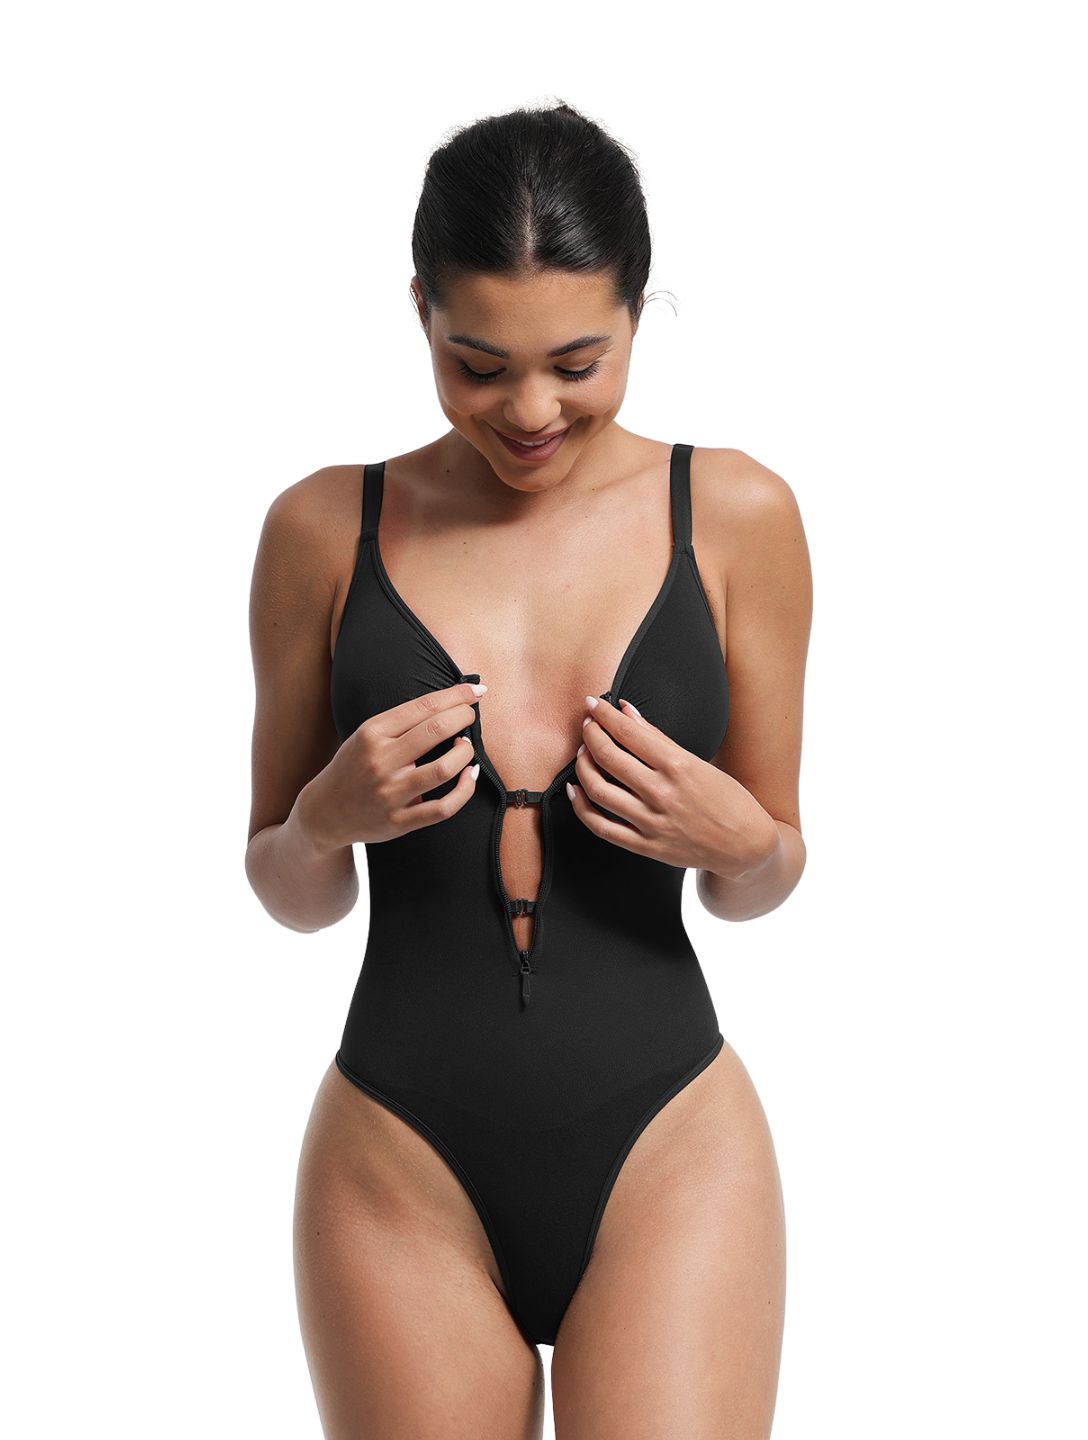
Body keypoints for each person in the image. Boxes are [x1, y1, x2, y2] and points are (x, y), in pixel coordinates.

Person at [245, 100, 811, 1440]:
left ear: (636, 313)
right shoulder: (324, 528)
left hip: (670, 1144)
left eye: (577, 361)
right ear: (422, 315)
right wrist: (324, 819)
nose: (532, 410)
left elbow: (766, 875)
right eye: (479, 364)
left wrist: (742, 844)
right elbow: (288, 888)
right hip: (398, 1160)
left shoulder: (736, 517)